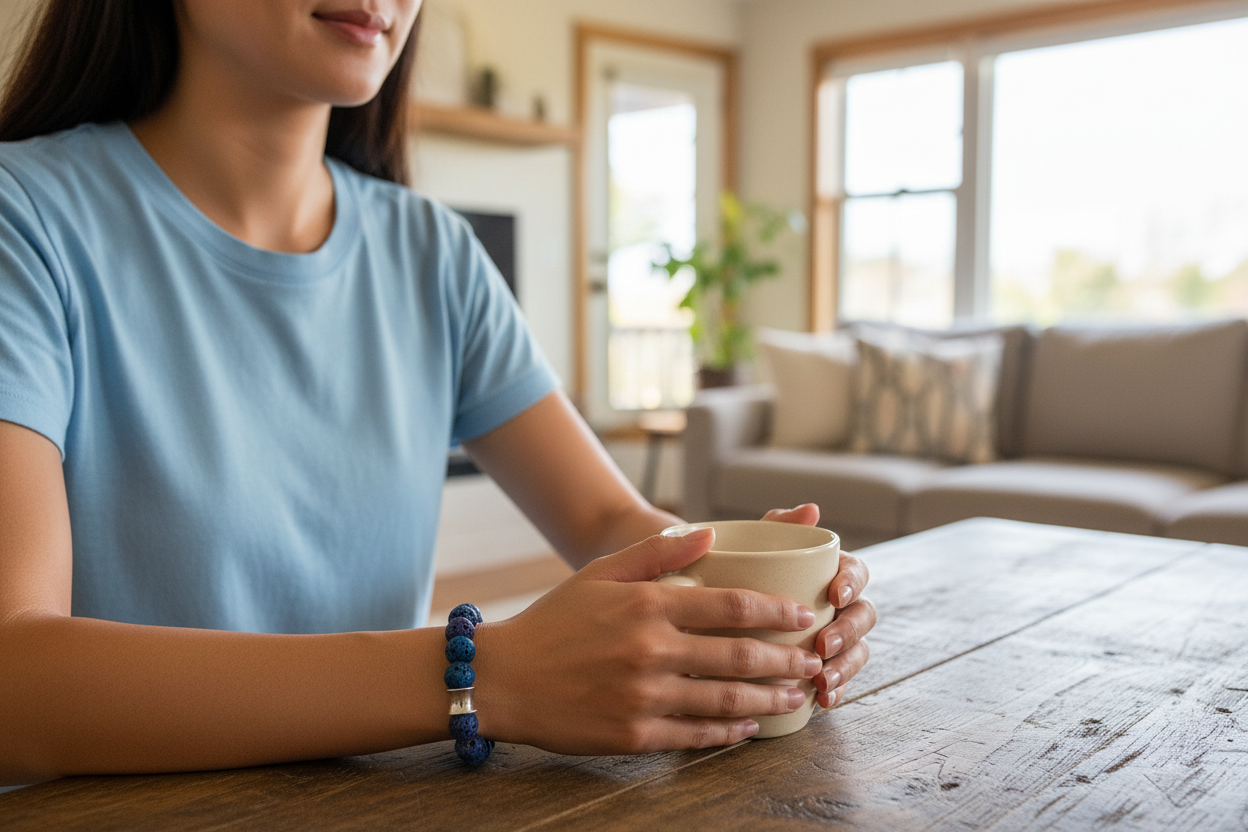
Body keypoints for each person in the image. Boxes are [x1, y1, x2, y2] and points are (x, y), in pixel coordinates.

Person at [0, 0, 874, 784]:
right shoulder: (24, 219)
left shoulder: (434, 253)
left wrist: (751, 593)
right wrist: (481, 675)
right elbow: (13, 676)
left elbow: (608, 520)